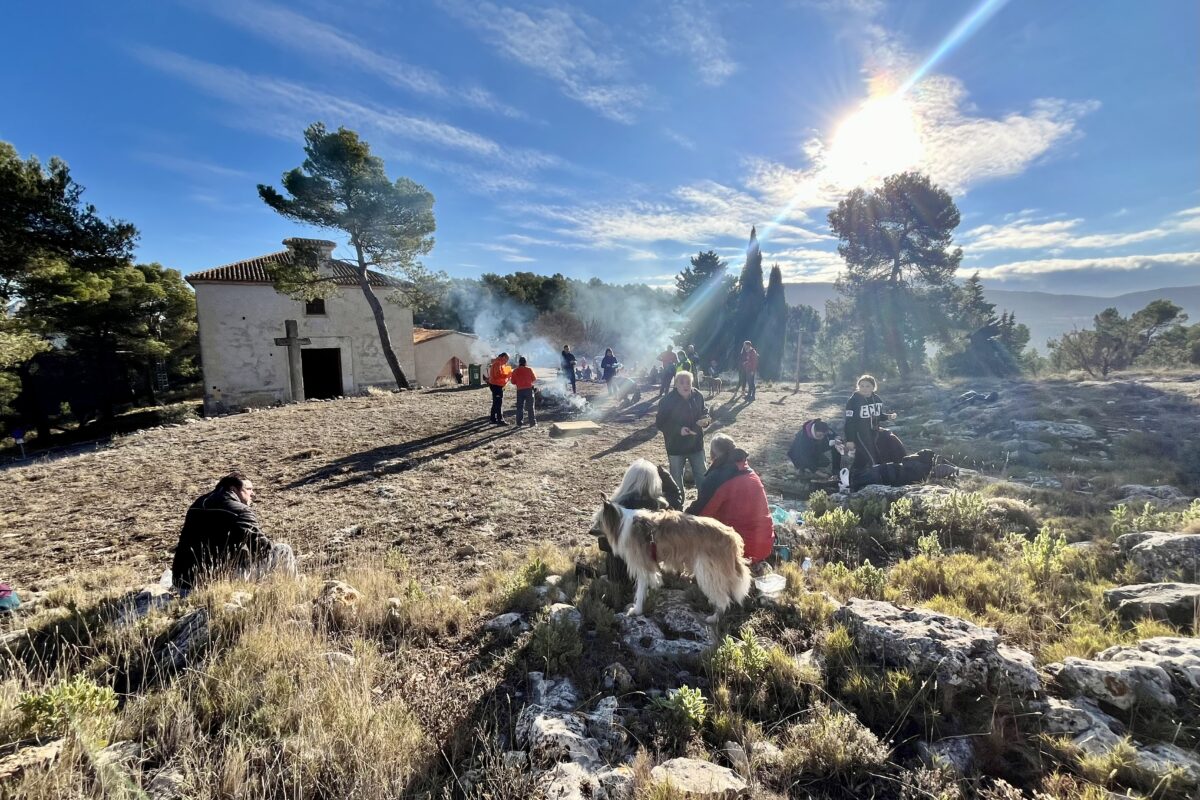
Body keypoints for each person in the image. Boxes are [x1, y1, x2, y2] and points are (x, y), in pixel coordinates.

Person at [171, 472, 296, 594]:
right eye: (249, 489)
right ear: (233, 489)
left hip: (182, 583)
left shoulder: (197, 504)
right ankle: (291, 592)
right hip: (213, 584)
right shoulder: (240, 511)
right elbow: (261, 549)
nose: (253, 494)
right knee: (283, 550)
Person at [687, 434, 774, 563]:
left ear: (712, 454)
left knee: (692, 530)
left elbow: (700, 516)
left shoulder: (718, 478)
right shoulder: (747, 470)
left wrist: (678, 519)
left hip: (741, 550)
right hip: (765, 544)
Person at [655, 371, 708, 498]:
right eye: (682, 382)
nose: (686, 385)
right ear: (675, 384)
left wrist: (706, 420)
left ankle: (705, 502)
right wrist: (678, 430)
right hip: (675, 447)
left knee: (702, 474)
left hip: (696, 444)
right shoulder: (667, 400)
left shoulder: (698, 395)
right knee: (676, 478)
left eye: (688, 382)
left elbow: (704, 411)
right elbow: (660, 423)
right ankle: (678, 503)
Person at [844, 374, 896, 471]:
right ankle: (880, 479)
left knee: (861, 459)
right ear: (858, 386)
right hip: (860, 434)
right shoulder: (853, 401)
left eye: (867, 386)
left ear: (873, 387)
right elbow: (849, 421)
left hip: (874, 432)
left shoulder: (877, 399)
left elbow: (878, 416)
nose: (864, 388)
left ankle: (851, 478)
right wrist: (849, 439)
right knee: (873, 456)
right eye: (862, 386)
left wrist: (888, 416)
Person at [509, 356, 537, 427]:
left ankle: (519, 423)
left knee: (520, 407)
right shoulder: (529, 369)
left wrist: (518, 382)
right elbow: (534, 379)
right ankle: (532, 423)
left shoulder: (515, 370)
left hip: (520, 390)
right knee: (530, 407)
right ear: (525, 362)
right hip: (529, 390)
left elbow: (512, 381)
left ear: (519, 363)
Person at [488, 352, 513, 425]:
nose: (507, 361)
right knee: (498, 402)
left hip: (496, 384)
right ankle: (500, 420)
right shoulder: (498, 363)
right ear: (504, 357)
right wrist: (507, 374)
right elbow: (497, 374)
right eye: (507, 359)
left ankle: (493, 419)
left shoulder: (499, 362)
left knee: (496, 402)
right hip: (496, 385)